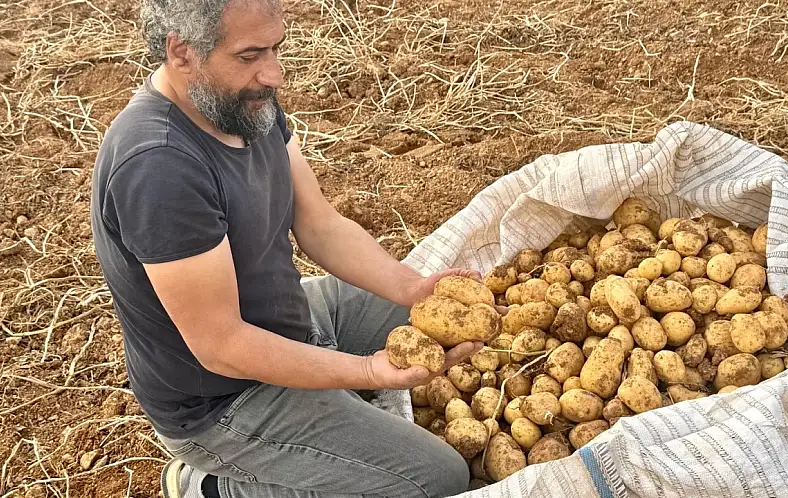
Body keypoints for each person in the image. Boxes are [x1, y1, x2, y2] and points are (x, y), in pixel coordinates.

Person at [90, 0, 489, 496]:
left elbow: (319, 224)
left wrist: (411, 287)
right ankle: (210, 487)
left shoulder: (242, 104)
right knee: (436, 478)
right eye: (250, 54)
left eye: (275, 48)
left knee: (430, 307)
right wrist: (366, 371)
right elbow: (223, 346)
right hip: (226, 400)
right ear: (182, 52)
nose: (274, 73)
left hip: (291, 318)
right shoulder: (159, 167)